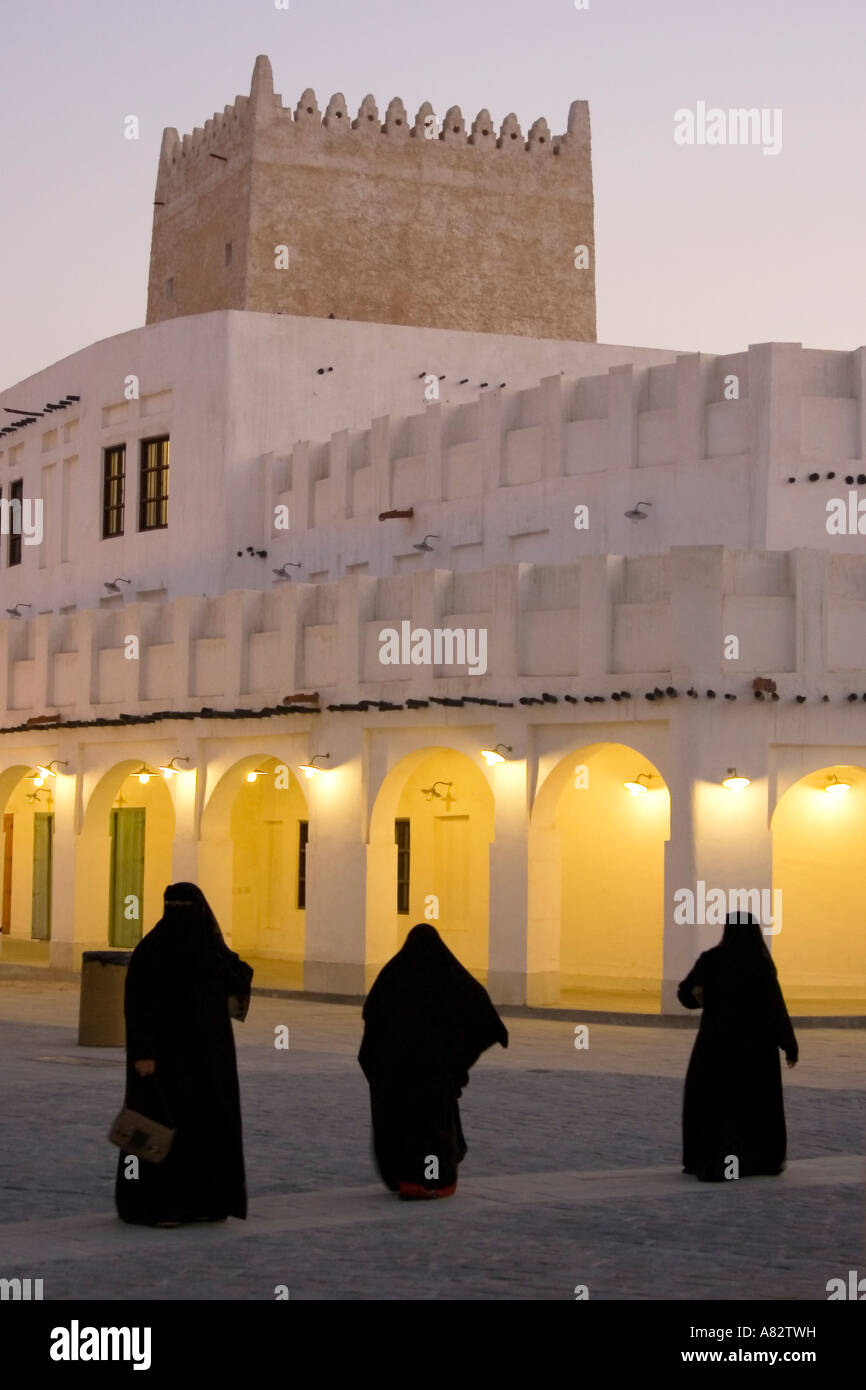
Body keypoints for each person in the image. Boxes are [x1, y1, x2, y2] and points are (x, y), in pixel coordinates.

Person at [115, 883, 253, 1227]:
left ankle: (204, 1201)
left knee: (205, 1128)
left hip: (208, 1060)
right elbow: (139, 1006)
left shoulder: (210, 951)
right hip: (165, 1062)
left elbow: (240, 978)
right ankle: (155, 1206)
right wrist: (144, 1054)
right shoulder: (151, 952)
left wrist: (223, 966)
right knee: (160, 1127)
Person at [358, 923, 508, 1200]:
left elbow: (374, 1023)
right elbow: (477, 1007)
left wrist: (382, 1066)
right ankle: (433, 1181)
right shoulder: (448, 975)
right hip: (434, 1076)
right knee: (432, 1131)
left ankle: (409, 1180)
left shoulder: (393, 975)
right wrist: (455, 1062)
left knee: (404, 1128)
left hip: (398, 1076)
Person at [677, 910, 798, 1182]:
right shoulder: (760, 964)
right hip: (756, 1050)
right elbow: (775, 1007)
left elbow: (685, 993)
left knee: (716, 1103)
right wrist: (789, 1045)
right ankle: (754, 1160)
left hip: (716, 1046)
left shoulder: (712, 960)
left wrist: (698, 995)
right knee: (752, 1104)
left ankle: (711, 1158)